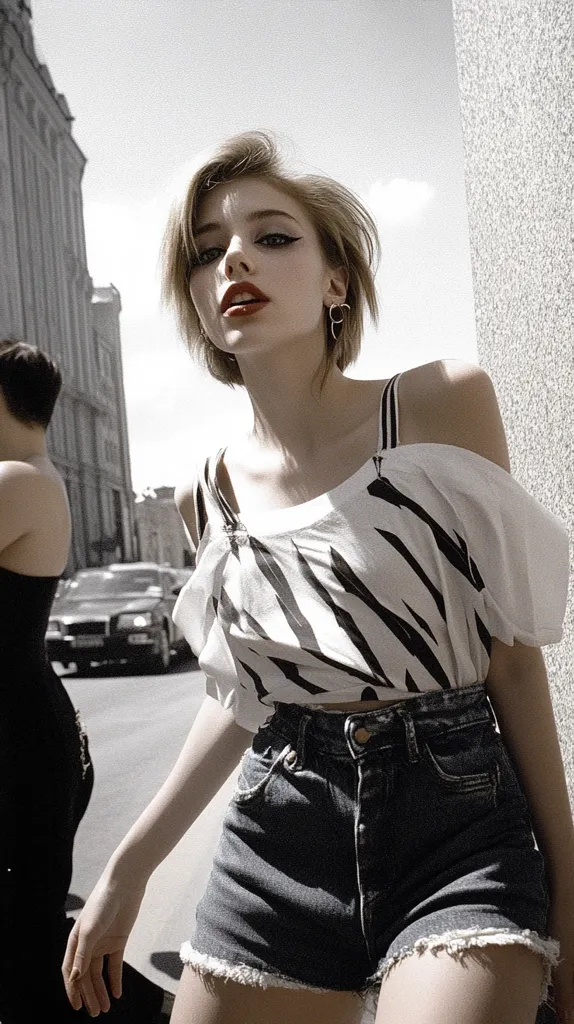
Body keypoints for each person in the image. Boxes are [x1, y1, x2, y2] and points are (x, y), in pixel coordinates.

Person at [63, 131, 573, 1024]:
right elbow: (243, 696)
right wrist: (126, 867)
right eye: (208, 250)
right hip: (279, 831)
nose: (235, 262)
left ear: (337, 281)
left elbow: (514, 661)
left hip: (455, 824)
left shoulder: (437, 404)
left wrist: (572, 882)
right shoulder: (207, 491)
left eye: (273, 236)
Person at [0, 339, 94, 1021]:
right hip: (27, 731)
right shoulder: (37, 473)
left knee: (26, 945)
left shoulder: (20, 479)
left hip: (17, 743)